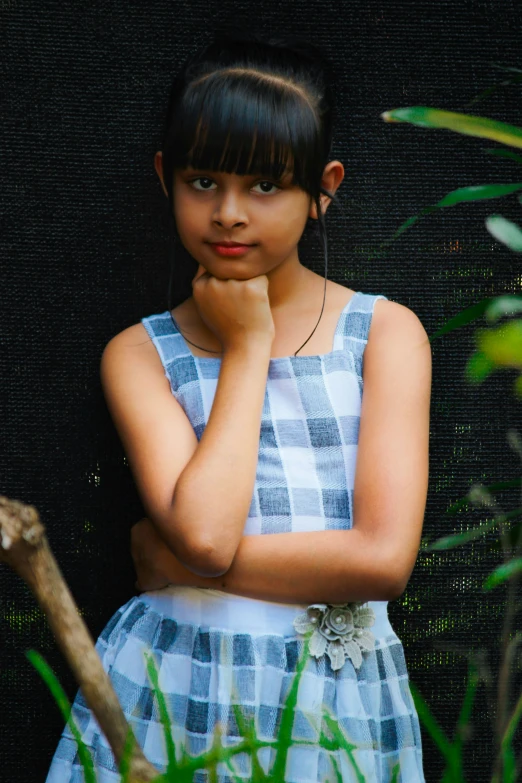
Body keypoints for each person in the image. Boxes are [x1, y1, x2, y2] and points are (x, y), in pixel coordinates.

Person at [45, 28, 431, 783]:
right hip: (177, 674)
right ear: (166, 177)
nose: (228, 213)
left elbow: (383, 559)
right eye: (202, 182)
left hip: (332, 695)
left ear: (324, 189)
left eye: (265, 186)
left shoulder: (383, 334)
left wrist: (174, 562)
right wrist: (247, 345)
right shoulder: (140, 352)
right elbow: (208, 534)